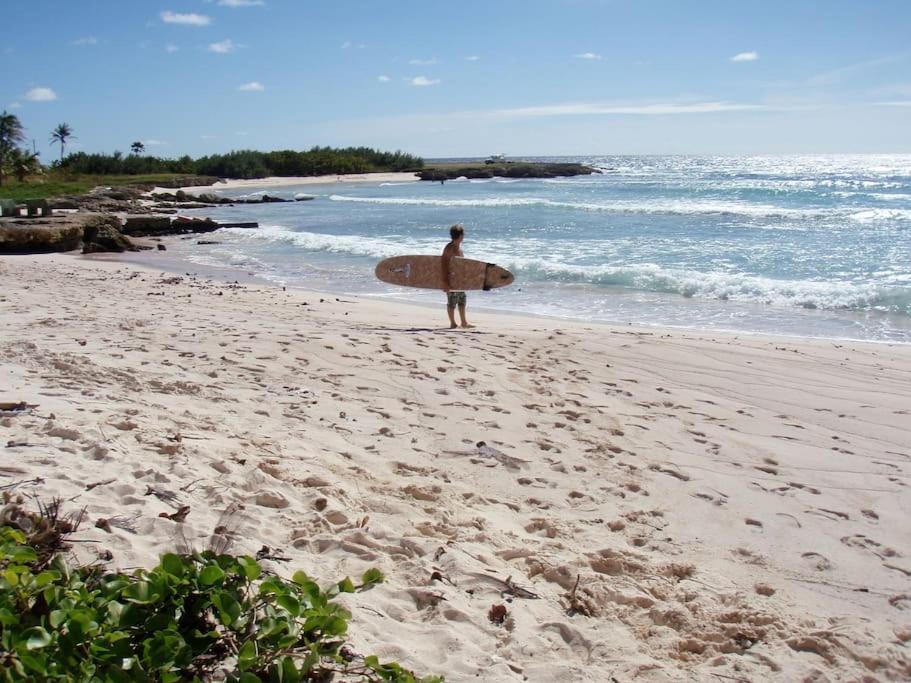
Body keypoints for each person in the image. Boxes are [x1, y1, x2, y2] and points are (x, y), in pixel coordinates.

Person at [441, 224, 473, 329]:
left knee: (462, 300)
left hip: (459, 280)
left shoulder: (459, 248)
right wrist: (445, 282)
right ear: (460, 236)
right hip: (451, 280)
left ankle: (464, 322)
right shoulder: (449, 248)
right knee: (451, 302)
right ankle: (453, 323)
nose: (464, 236)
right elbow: (444, 265)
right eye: (463, 234)